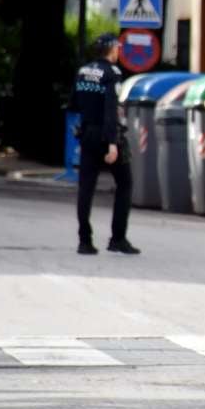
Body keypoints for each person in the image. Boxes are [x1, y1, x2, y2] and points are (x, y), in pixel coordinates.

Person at [69, 33, 138, 256]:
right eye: (117, 48)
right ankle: (118, 238)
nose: (119, 51)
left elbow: (73, 104)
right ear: (111, 49)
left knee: (86, 189)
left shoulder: (82, 72)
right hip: (107, 135)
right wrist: (112, 144)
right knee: (125, 184)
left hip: (87, 134)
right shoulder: (112, 73)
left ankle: (84, 241)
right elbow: (110, 110)